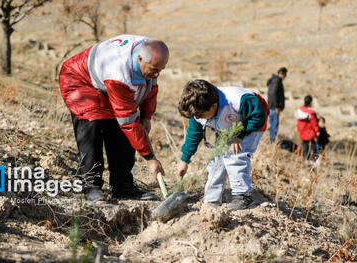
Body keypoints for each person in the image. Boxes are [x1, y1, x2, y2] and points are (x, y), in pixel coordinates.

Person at [59, 35, 169, 201]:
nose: (157, 74)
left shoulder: (151, 51)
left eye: (161, 70)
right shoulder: (119, 72)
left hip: (103, 82)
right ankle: (91, 186)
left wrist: (147, 116)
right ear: (140, 59)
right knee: (94, 125)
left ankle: (122, 186)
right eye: (154, 69)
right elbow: (128, 121)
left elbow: (150, 88)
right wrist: (150, 158)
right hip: (78, 79)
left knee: (120, 129)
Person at [177, 80, 268, 210]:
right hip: (228, 126)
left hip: (252, 123)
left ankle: (243, 196)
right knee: (217, 161)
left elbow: (259, 116)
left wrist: (238, 135)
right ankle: (211, 199)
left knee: (234, 154)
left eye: (200, 115)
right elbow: (194, 133)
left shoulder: (238, 99)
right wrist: (184, 159)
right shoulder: (199, 108)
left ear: (213, 107)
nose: (198, 117)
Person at [295, 95, 319, 160]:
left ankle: (305, 161)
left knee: (304, 148)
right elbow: (314, 124)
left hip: (302, 133)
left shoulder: (300, 111)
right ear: (311, 102)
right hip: (310, 133)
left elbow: (298, 123)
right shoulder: (311, 112)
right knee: (313, 149)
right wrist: (317, 132)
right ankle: (312, 163)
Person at [267, 67, 287, 143]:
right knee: (274, 125)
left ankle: (272, 141)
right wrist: (276, 107)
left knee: (272, 125)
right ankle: (272, 142)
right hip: (274, 108)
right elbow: (273, 94)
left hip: (271, 107)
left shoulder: (274, 80)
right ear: (282, 74)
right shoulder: (276, 81)